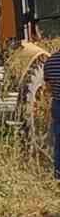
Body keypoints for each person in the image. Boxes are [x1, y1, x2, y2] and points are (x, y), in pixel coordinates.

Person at [44, 50, 60, 181]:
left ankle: (58, 173)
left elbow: (48, 88)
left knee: (58, 141)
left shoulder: (50, 61)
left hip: (57, 104)